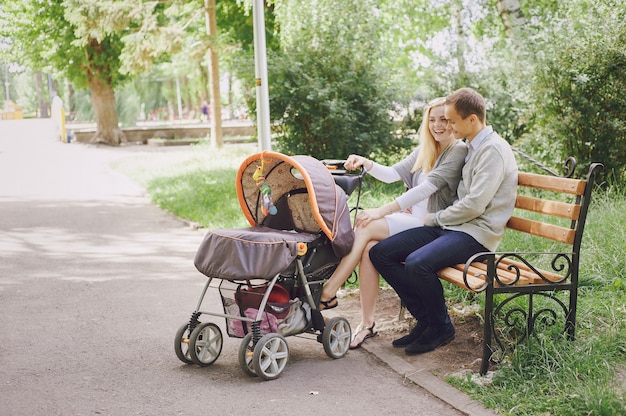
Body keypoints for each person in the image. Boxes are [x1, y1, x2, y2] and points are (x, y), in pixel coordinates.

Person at [369, 87, 518, 355]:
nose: (447, 125)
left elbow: (475, 204)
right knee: (380, 253)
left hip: (477, 234)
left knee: (417, 262)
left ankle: (440, 327)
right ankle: (426, 320)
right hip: (453, 228)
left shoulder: (492, 150)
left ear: (472, 119)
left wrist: (434, 218)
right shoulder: (474, 145)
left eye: (451, 120)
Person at [318, 97, 468, 349]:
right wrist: (367, 162)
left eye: (443, 119)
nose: (437, 125)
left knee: (365, 225)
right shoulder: (426, 150)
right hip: (411, 219)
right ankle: (366, 323)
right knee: (367, 249)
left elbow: (425, 190)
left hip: (430, 223)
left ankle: (328, 291)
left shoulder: (457, 150)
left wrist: (381, 211)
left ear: (453, 121)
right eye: (432, 120)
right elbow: (391, 175)